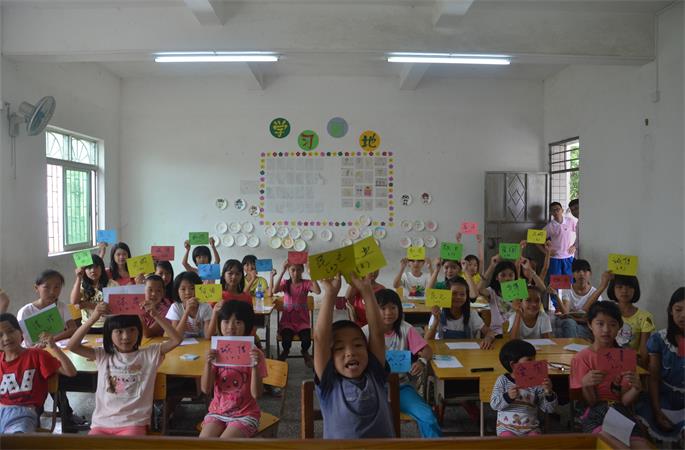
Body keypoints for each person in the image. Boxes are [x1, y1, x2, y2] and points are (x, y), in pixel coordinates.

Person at [67, 303, 182, 436]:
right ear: (109, 334)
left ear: (139, 331)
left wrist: (156, 315)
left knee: (125, 444)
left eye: (132, 330)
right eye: (119, 331)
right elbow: (72, 346)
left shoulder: (149, 354)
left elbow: (176, 340)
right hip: (101, 423)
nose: (126, 336)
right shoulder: (103, 355)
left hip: (133, 424)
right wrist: (93, 318)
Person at [314, 274, 395, 438]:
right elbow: (320, 339)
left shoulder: (375, 374)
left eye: (358, 345)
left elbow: (377, 333)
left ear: (368, 350)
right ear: (330, 357)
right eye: (339, 348)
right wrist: (330, 293)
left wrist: (366, 290)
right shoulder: (329, 383)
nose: (350, 352)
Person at [570, 302, 648, 449]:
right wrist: (586, 384)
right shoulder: (581, 358)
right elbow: (590, 402)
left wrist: (636, 389)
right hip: (595, 413)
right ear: (590, 325)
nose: (606, 330)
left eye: (612, 324)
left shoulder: (624, 357)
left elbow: (624, 401)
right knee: (616, 446)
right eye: (600, 324)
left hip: (621, 412)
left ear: (619, 327)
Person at [363, 289, 441, 437]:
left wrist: (421, 361)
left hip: (400, 387)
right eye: (383, 308)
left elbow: (427, 351)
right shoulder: (364, 332)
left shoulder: (406, 329)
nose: (388, 312)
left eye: (393, 307)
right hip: (371, 388)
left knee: (428, 417)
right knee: (361, 421)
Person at [199, 300, 267, 438]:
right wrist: (208, 364)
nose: (230, 327)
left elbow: (257, 394)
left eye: (238, 322)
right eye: (226, 321)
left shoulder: (255, 353)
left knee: (225, 444)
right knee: (203, 443)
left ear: (247, 325)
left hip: (245, 415)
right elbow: (206, 389)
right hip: (217, 412)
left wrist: (254, 367)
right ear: (219, 323)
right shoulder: (216, 350)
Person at [0, 313, 77, 433]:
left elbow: (70, 372)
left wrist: (53, 347)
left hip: (25, 413)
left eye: (10, 331)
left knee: (15, 439)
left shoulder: (36, 355)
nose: (6, 338)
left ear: (21, 332)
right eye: (0, 335)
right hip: (1, 410)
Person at [636, 287, 685, 443]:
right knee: (642, 420)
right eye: (678, 309)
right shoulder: (659, 339)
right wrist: (657, 411)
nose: (683, 315)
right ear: (670, 310)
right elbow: (654, 378)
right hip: (663, 396)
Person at [490, 339, 557, 436]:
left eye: (534, 359)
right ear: (513, 365)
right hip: (506, 428)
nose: (534, 363)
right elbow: (494, 404)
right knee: (507, 439)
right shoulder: (502, 380)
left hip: (531, 429)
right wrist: (508, 396)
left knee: (536, 439)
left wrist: (548, 392)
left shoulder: (537, 382)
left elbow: (549, 409)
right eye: (529, 360)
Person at [271, 261, 321, 365]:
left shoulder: (306, 283)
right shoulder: (285, 283)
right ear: (288, 271)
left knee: (306, 340)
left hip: (302, 321)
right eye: (293, 270)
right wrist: (282, 271)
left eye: (298, 270)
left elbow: (318, 291)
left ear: (302, 270)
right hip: (287, 321)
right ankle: (286, 351)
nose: (296, 273)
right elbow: (274, 291)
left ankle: (304, 351)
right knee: (286, 340)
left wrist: (311, 273)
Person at [426, 276, 495, 348]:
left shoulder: (471, 314)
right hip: (443, 352)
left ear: (466, 296)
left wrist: (488, 338)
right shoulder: (439, 312)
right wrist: (436, 321)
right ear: (447, 294)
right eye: (454, 293)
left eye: (462, 294)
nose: (458, 297)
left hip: (466, 352)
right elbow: (428, 340)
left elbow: (489, 332)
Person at [18, 270, 76, 343]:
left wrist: (52, 340)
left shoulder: (62, 306)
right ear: (36, 288)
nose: (52, 292)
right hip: (35, 348)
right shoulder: (26, 311)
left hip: (57, 345)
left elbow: (73, 329)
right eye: (46, 287)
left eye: (57, 287)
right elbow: (22, 338)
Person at [608, 275, 654, 368]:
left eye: (629, 287)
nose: (624, 290)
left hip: (631, 364)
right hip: (607, 360)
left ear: (635, 289)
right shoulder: (607, 312)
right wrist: (603, 284)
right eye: (620, 287)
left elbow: (644, 353)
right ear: (613, 289)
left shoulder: (645, 317)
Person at [554, 260, 607, 339]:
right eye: (578, 271)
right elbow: (566, 313)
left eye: (585, 271)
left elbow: (593, 318)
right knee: (569, 323)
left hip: (585, 325)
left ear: (590, 273)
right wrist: (556, 295)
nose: (581, 274)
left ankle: (571, 343)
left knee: (564, 330)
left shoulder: (595, 293)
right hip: (569, 322)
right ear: (573, 274)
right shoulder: (568, 289)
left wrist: (575, 318)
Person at [70, 254, 118, 333]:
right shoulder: (82, 285)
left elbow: (114, 308)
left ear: (102, 268)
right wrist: (78, 278)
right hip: (87, 326)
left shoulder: (112, 284)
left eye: (96, 267)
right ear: (84, 271)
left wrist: (87, 304)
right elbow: (74, 301)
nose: (93, 270)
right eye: (89, 268)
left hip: (108, 325)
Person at [165, 271, 213, 338]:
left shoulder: (205, 307)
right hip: (183, 343)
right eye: (183, 289)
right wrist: (187, 311)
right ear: (177, 291)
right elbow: (176, 336)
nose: (187, 292)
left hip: (202, 343)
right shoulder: (175, 307)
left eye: (192, 288)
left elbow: (208, 336)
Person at [539, 202, 577, 277]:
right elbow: (536, 242)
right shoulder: (549, 227)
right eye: (553, 210)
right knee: (556, 282)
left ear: (562, 210)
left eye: (558, 209)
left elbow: (580, 233)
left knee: (569, 281)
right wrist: (546, 252)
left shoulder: (570, 221)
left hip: (569, 257)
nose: (556, 212)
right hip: (555, 258)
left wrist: (575, 246)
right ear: (551, 213)